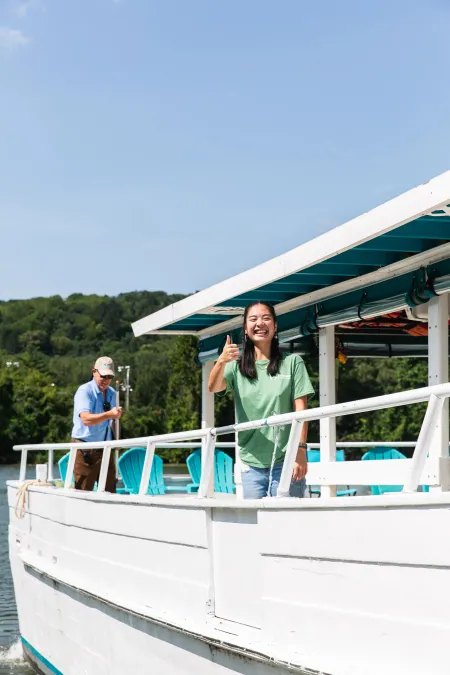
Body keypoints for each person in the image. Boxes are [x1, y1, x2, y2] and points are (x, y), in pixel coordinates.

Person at [208, 302, 314, 499]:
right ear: (245, 329)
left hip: (286, 459)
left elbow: (302, 412)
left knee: (288, 524)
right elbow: (214, 387)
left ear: (275, 326)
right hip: (251, 463)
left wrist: (300, 451)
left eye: (266, 318)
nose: (260, 323)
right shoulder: (235, 366)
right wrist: (221, 361)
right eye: (253, 319)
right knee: (256, 526)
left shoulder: (292, 363)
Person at [71, 356, 122, 493]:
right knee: (83, 492)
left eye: (109, 377)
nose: (106, 380)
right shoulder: (84, 391)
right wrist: (110, 414)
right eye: (103, 376)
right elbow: (86, 419)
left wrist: (117, 440)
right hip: (85, 448)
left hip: (106, 448)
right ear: (94, 372)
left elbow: (115, 420)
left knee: (110, 492)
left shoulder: (112, 393)